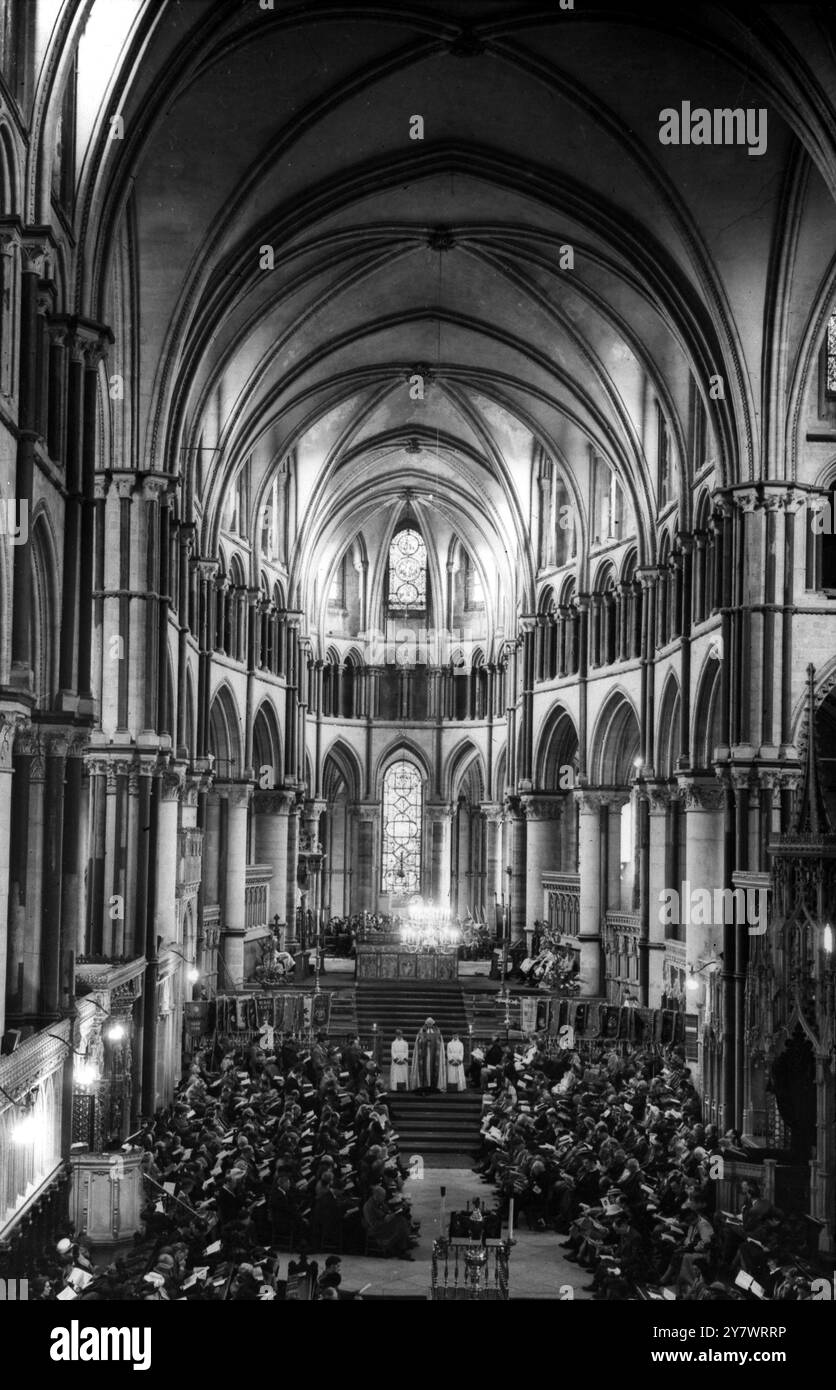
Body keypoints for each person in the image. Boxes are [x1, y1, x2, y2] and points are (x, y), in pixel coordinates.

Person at [410, 1018, 447, 1095]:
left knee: (433, 1068)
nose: (429, 1025)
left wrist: (434, 1041)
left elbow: (440, 1042)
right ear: (426, 1024)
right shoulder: (421, 1031)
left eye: (431, 1024)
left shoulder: (437, 1031)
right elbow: (418, 1042)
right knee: (425, 1069)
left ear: (433, 1024)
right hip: (424, 1055)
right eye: (428, 1024)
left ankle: (433, 1086)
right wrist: (425, 1040)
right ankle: (424, 1086)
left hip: (434, 1055)